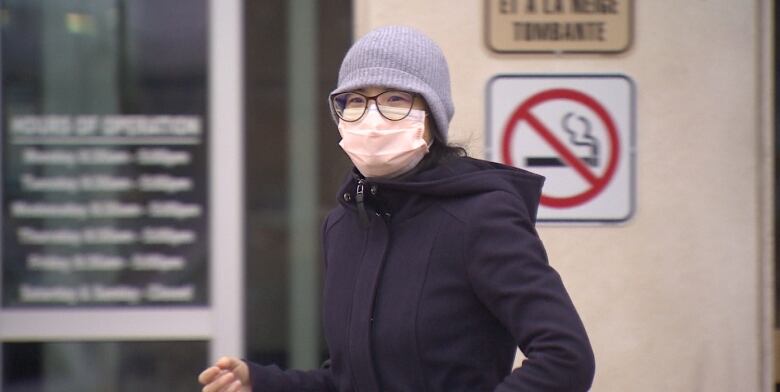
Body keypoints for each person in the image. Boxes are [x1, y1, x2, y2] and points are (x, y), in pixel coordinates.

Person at [199, 25, 595, 392]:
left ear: (431, 119)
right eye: (355, 100)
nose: (371, 117)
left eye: (395, 99)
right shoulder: (344, 225)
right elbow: (349, 380)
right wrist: (262, 383)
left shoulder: (480, 216)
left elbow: (565, 358)